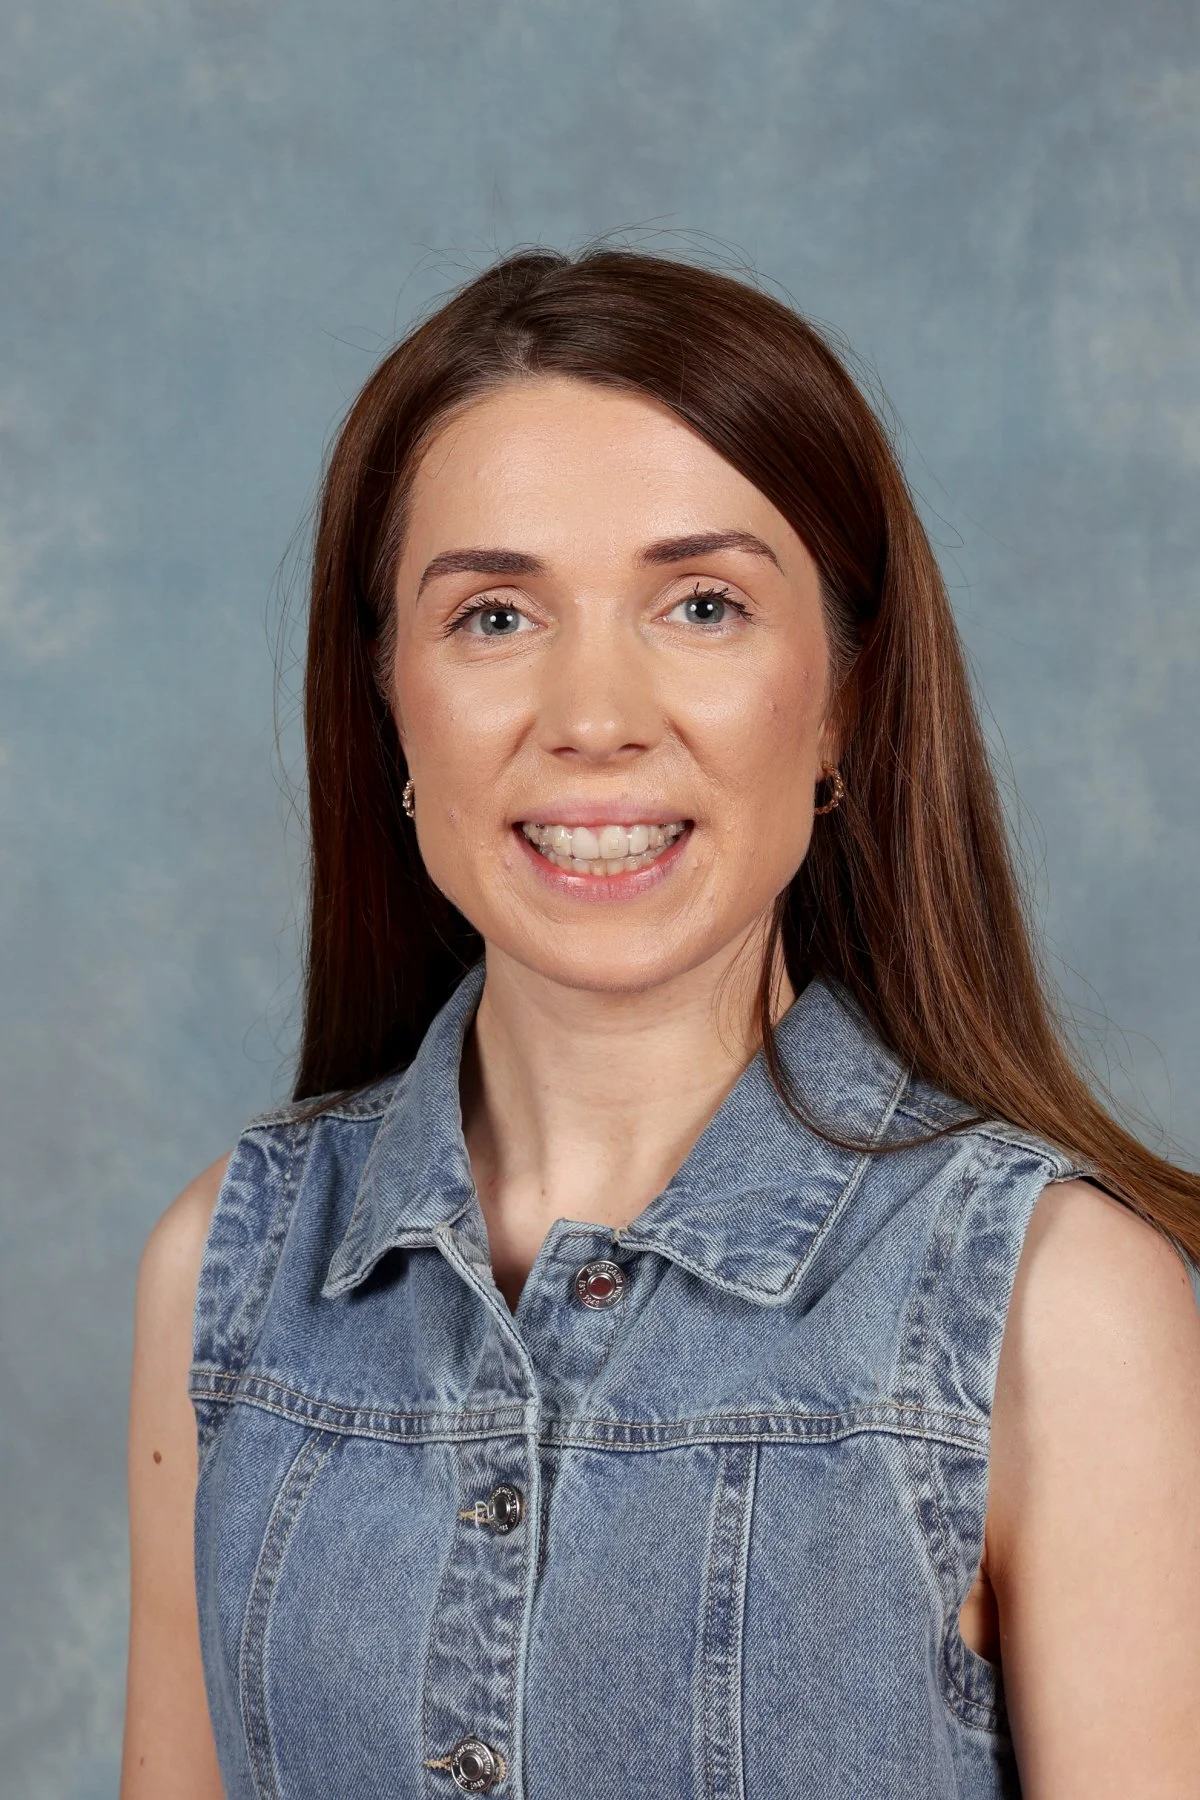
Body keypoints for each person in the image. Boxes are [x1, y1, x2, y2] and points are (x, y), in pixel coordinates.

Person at [120, 247, 1200, 1799]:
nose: (594, 715)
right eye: (494, 617)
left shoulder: (1060, 1308)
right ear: (387, 703)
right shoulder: (220, 1271)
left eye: (702, 604)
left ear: (842, 699)